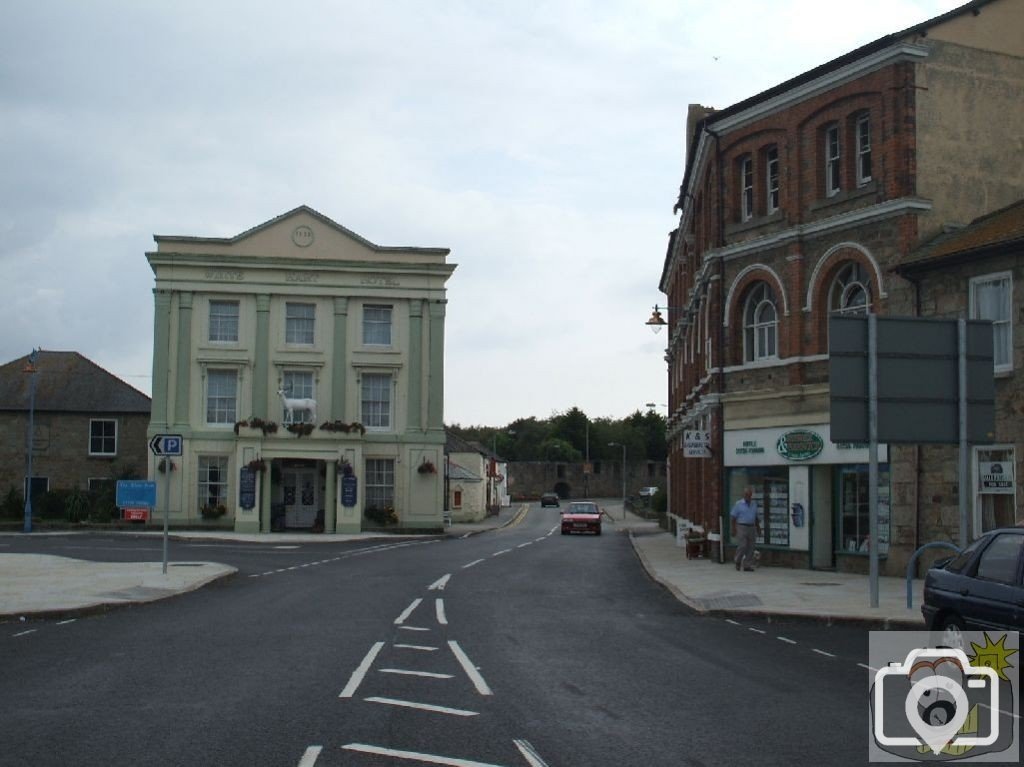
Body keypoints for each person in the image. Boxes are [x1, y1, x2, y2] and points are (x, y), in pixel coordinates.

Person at [730, 486, 760, 572]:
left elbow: (756, 517)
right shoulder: (738, 504)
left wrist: (758, 528)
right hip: (741, 526)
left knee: (751, 546)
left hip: (751, 526)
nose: (748, 496)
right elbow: (733, 517)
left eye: (749, 495)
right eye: (746, 494)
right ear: (743, 495)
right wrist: (733, 529)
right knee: (743, 545)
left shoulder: (754, 504)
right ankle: (738, 560)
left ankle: (747, 564)